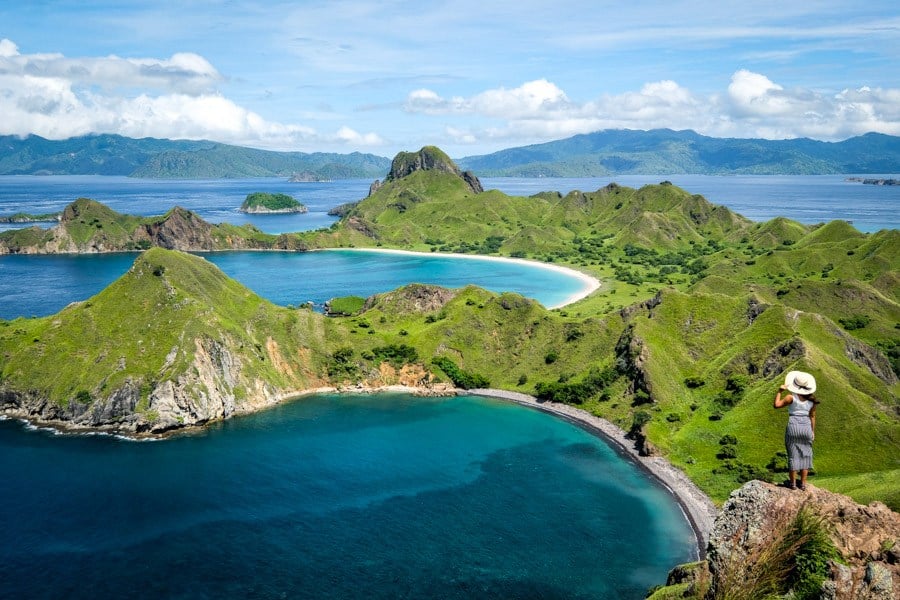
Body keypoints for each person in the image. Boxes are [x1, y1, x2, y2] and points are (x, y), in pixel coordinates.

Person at [773, 370, 819, 490]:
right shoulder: (812, 400)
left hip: (793, 426)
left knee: (793, 455)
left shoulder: (790, 398)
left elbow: (776, 405)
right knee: (806, 455)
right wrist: (812, 431)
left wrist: (779, 391)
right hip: (806, 427)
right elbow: (812, 416)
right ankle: (803, 484)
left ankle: (793, 484)